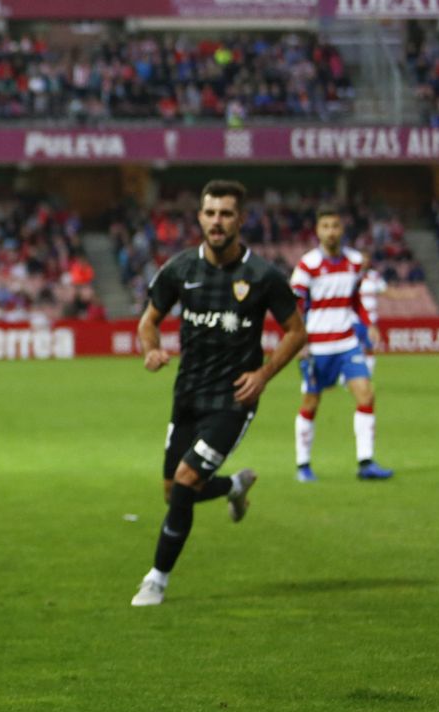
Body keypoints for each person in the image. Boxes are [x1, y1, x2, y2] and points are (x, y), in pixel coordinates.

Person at [131, 181, 307, 607]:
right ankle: (232, 487)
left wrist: (263, 375)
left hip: (233, 399)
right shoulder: (179, 269)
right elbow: (148, 321)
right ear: (200, 218)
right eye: (210, 213)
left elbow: (296, 332)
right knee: (174, 491)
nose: (217, 222)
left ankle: (156, 579)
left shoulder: (263, 276)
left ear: (241, 220)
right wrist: (152, 349)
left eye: (226, 214)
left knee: (189, 479)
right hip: (188, 393)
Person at [291, 208, 393, 482]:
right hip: (316, 346)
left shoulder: (355, 262)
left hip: (347, 343)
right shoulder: (307, 265)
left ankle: (366, 461)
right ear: (317, 230)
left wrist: (368, 323)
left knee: (366, 394)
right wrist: (298, 340)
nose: (331, 231)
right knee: (311, 402)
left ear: (342, 229)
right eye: (325, 226)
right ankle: (303, 465)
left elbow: (356, 299)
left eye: (335, 225)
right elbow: (294, 307)